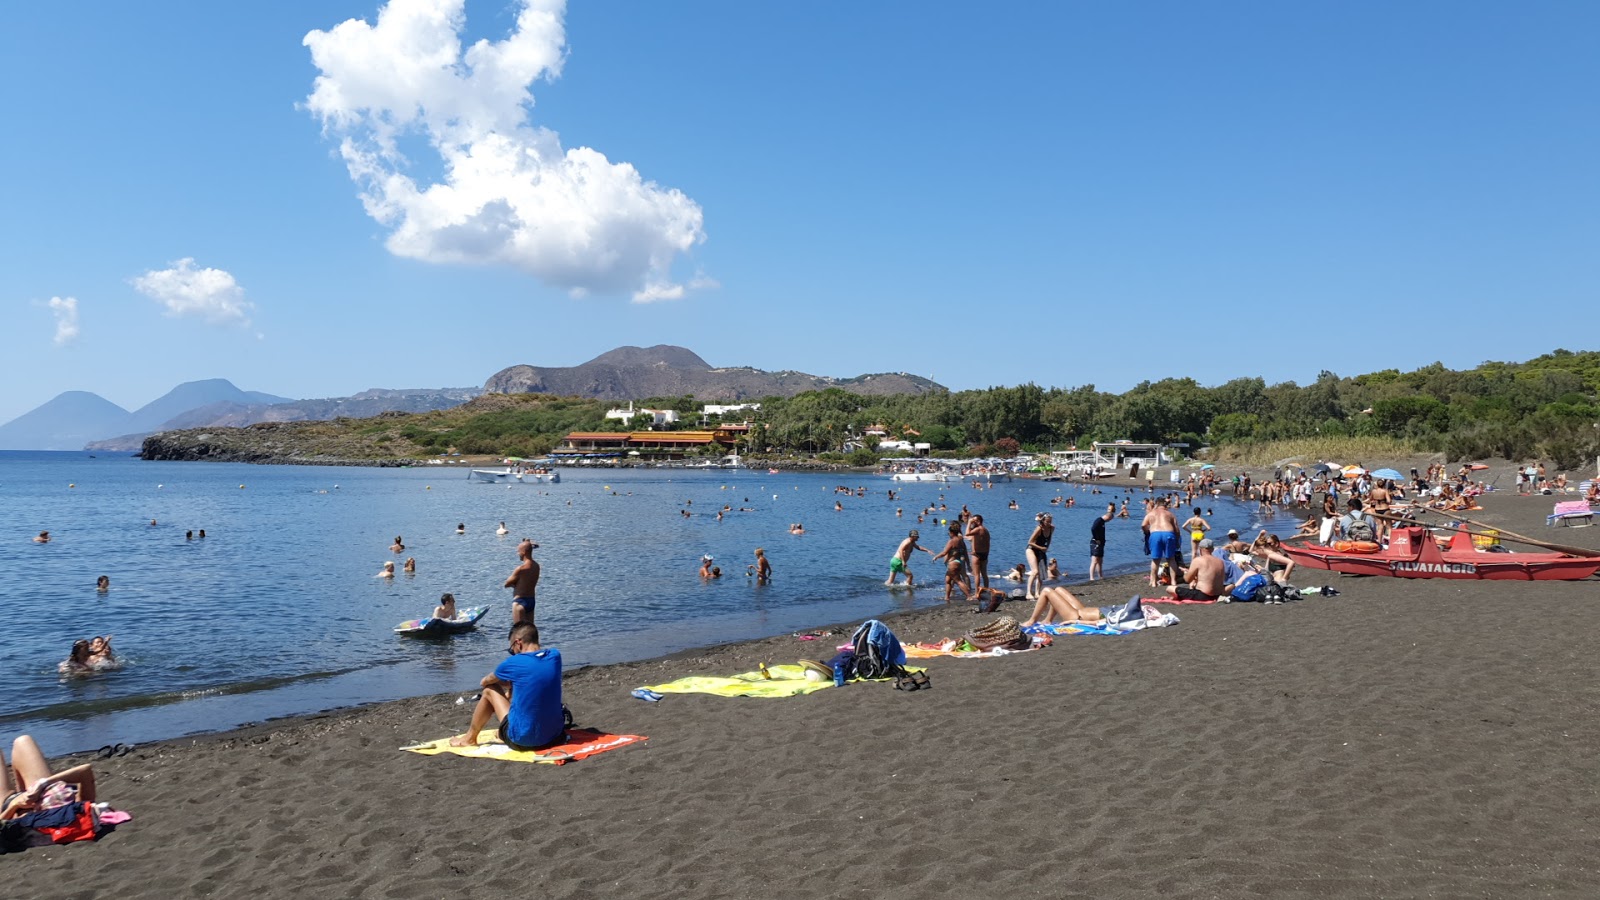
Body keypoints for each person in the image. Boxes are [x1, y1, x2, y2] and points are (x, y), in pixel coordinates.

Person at [450, 623, 564, 750]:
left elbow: (484, 682)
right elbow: (534, 677)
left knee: (489, 690)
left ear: (518, 643)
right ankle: (503, 731)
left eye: (511, 649)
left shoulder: (514, 662)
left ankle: (469, 738)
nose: (513, 653)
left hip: (523, 741)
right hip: (554, 737)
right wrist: (512, 684)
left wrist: (504, 682)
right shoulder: (555, 656)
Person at [1, 735, 98, 822]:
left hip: (8, 807)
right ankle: (23, 791)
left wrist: (14, 805)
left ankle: (22, 793)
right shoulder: (79, 809)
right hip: (37, 791)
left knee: (23, 741)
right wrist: (42, 784)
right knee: (23, 740)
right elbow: (85, 771)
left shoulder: (42, 823)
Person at [1141, 498, 1181, 588]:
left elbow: (1143, 525)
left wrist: (1147, 532)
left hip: (1155, 534)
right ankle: (1173, 582)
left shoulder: (1151, 513)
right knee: (1171, 559)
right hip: (1169, 533)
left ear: (1156, 504)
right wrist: (1177, 540)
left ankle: (1154, 582)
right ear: (1165, 505)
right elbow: (1177, 530)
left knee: (1156, 560)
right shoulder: (1170, 514)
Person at [929, 523, 972, 604]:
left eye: (949, 532)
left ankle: (969, 596)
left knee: (958, 581)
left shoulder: (952, 541)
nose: (948, 534)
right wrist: (968, 564)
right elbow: (965, 552)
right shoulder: (961, 541)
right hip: (959, 562)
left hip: (953, 563)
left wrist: (936, 557)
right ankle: (947, 597)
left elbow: (944, 552)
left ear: (952, 532)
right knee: (948, 580)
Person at [505, 540, 542, 625]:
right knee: (529, 633)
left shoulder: (521, 569)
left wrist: (515, 584)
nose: (518, 554)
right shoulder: (537, 566)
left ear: (524, 552)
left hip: (520, 601)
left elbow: (506, 584)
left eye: (519, 551)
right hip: (531, 601)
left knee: (519, 632)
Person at [1025, 513, 1053, 599]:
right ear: (1043, 521)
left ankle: (1037, 593)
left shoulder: (1052, 528)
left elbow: (1049, 538)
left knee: (1041, 573)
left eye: (1050, 521)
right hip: (1031, 549)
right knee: (1035, 571)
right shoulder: (1039, 528)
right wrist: (1041, 547)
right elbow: (1030, 542)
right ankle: (1028, 593)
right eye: (1047, 521)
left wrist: (1047, 547)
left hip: (1041, 551)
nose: (1049, 523)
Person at [965, 515, 991, 591]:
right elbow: (981, 540)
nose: (973, 522)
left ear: (978, 521)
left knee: (976, 575)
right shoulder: (985, 530)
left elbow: (967, 533)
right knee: (984, 574)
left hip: (977, 554)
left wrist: (969, 523)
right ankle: (986, 589)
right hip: (985, 554)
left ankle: (977, 592)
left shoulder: (978, 529)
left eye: (974, 521)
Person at [1089, 503, 1112, 580]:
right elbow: (1093, 529)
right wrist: (1096, 538)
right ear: (1108, 517)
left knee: (1100, 560)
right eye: (1110, 519)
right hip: (1095, 543)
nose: (1109, 521)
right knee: (1094, 560)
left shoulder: (1103, 522)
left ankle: (1100, 576)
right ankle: (1091, 577)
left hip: (1101, 543)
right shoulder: (1099, 520)